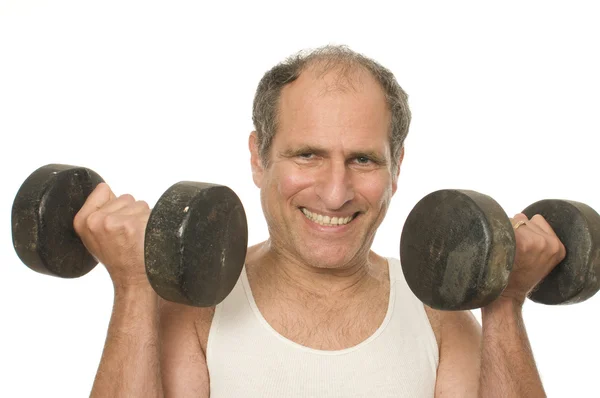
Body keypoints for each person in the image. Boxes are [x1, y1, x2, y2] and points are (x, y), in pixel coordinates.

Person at [73, 45, 565, 397]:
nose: (335, 192)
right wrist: (136, 287)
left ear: (397, 169)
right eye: (307, 155)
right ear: (258, 159)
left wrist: (504, 302)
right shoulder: (200, 311)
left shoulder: (437, 318)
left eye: (363, 160)